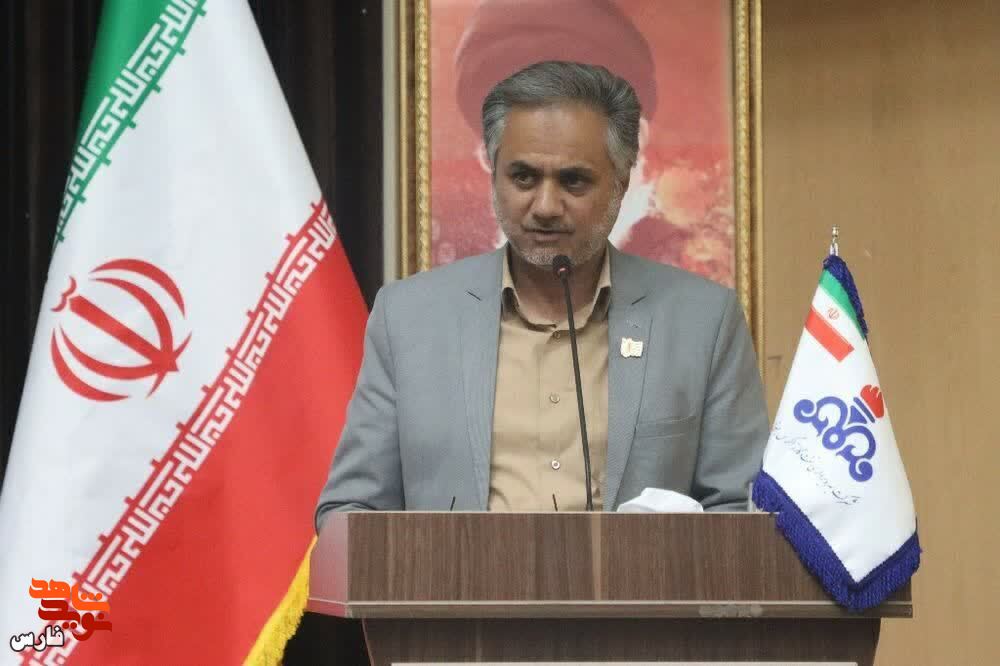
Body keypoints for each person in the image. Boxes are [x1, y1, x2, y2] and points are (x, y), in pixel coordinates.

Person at [315, 61, 766, 529]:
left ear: (620, 183)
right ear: (493, 175)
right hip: (459, 579)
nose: (546, 207)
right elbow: (349, 512)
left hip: (638, 581)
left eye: (573, 181)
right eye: (524, 178)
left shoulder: (703, 322)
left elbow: (743, 511)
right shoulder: (409, 318)